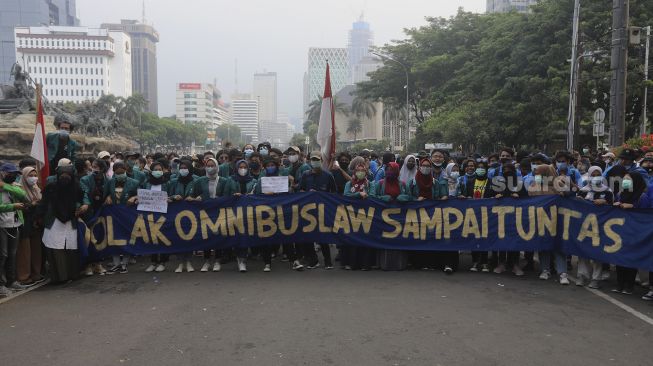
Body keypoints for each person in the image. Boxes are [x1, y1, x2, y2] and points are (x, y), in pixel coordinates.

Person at [37, 158, 83, 284]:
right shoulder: (51, 187)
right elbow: (44, 202)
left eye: (67, 175)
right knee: (55, 249)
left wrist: (81, 206)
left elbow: (82, 199)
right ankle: (59, 278)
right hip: (54, 222)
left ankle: (73, 275)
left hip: (70, 221)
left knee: (71, 248)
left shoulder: (76, 187)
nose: (65, 177)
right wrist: (39, 216)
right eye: (62, 175)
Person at [528, 164, 570, 285]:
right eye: (536, 174)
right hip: (542, 220)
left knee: (559, 246)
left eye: (540, 174)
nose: (537, 176)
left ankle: (562, 273)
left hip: (558, 220)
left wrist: (563, 194)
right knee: (544, 246)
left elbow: (570, 194)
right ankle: (545, 270)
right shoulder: (533, 186)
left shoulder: (558, 184)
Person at [612, 172, 651, 294]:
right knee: (620, 257)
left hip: (635, 232)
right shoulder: (619, 194)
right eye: (624, 179)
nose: (625, 181)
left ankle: (629, 285)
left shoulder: (642, 197)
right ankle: (620, 284)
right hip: (621, 231)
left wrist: (632, 206)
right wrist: (615, 206)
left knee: (631, 258)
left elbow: (646, 216)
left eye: (628, 179)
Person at [298, 152, 338, 269]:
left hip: (322, 210)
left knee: (323, 236)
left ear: (321, 161)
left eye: (317, 159)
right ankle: (313, 260)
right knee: (307, 236)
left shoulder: (328, 175)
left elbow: (334, 193)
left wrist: (321, 195)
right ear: (310, 161)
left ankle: (327, 261)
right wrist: (307, 193)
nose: (315, 161)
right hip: (307, 211)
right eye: (313, 159)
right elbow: (300, 190)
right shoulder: (305, 175)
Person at [576, 166, 613, 289]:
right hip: (584, 226)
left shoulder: (607, 192)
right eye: (593, 174)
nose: (595, 177)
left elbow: (613, 209)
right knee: (582, 252)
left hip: (600, 227)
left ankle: (596, 278)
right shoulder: (583, 191)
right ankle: (582, 275)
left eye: (598, 174)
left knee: (597, 253)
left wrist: (605, 203)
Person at [489, 163, 525, 276]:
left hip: (515, 217)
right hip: (500, 217)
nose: (507, 171)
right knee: (501, 239)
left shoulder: (519, 183)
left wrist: (519, 196)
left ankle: (515, 264)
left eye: (509, 170)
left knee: (515, 240)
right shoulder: (497, 182)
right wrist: (496, 197)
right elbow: (489, 195)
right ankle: (501, 263)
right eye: (504, 170)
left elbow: (526, 197)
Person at [103, 162, 140, 274]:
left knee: (127, 237)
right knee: (113, 237)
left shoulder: (134, 183)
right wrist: (108, 197)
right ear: (114, 172)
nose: (120, 174)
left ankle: (124, 263)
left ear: (125, 171)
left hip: (128, 215)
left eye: (122, 172)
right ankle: (116, 263)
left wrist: (134, 197)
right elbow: (105, 195)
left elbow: (141, 196)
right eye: (117, 173)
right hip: (114, 216)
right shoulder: (110, 183)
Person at [194, 158, 228, 272]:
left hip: (219, 213)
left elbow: (227, 195)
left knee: (218, 236)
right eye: (208, 165)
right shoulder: (200, 181)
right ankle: (207, 261)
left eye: (213, 165)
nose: (210, 168)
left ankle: (218, 260)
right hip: (205, 213)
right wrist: (197, 198)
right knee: (206, 236)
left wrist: (220, 199)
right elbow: (194, 194)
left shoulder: (223, 181)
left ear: (217, 166)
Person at [223, 160, 258, 272]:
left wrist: (250, 196)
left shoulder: (253, 181)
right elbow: (225, 196)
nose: (242, 169)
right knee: (236, 235)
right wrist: (234, 196)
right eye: (240, 167)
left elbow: (258, 197)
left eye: (245, 167)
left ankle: (242, 259)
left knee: (245, 235)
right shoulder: (230, 180)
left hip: (248, 214)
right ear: (236, 168)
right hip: (233, 213)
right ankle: (238, 256)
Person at [0, 163, 28, 296]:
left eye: (16, 174)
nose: (13, 177)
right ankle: (1, 284)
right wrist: (13, 206)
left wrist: (5, 186)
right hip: (2, 225)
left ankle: (11, 281)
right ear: (3, 173)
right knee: (3, 255)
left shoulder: (12, 186)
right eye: (10, 174)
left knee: (12, 254)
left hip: (15, 224)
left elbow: (24, 196)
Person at [79, 159, 109, 276]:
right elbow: (84, 193)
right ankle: (87, 265)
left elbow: (109, 192)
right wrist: (86, 203)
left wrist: (109, 198)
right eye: (93, 166)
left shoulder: (108, 180)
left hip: (101, 212)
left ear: (103, 168)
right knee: (88, 238)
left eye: (97, 167)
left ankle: (98, 264)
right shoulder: (85, 179)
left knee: (100, 237)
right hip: (89, 212)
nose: (94, 169)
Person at [459, 160, 491, 272]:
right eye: (479, 167)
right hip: (473, 214)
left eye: (483, 167)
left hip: (486, 214)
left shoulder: (491, 182)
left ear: (486, 170)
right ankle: (475, 262)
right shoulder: (471, 182)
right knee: (474, 238)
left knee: (485, 238)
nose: (480, 169)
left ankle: (485, 262)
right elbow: (467, 195)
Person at [342, 161, 374, 270]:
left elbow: (373, 196)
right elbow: (346, 195)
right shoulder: (349, 184)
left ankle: (365, 264)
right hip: (351, 216)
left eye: (362, 170)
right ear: (354, 172)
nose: (360, 172)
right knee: (352, 239)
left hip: (366, 217)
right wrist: (358, 194)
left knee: (365, 239)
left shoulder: (370, 184)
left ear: (366, 172)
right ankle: (351, 263)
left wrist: (367, 195)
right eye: (358, 170)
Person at [168, 159, 199, 273]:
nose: (183, 170)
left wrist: (195, 198)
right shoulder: (174, 181)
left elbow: (200, 195)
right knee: (179, 238)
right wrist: (173, 197)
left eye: (185, 168)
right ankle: (180, 262)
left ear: (190, 169)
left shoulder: (196, 180)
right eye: (181, 168)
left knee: (190, 238)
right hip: (177, 214)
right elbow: (168, 196)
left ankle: (189, 262)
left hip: (192, 214)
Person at [15, 166, 45, 286]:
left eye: (35, 175)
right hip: (24, 223)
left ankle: (36, 273)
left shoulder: (36, 188)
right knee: (25, 252)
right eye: (30, 175)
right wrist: (32, 205)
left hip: (36, 223)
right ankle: (24, 276)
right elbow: (20, 207)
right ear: (24, 176)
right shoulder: (18, 188)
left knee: (36, 250)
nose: (33, 178)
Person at [142, 161, 171, 272]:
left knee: (162, 238)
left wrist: (170, 199)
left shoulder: (167, 183)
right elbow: (142, 195)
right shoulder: (146, 183)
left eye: (160, 169)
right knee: (151, 238)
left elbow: (172, 195)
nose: (158, 171)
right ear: (151, 171)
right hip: (149, 214)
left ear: (163, 171)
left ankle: (163, 262)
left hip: (163, 215)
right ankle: (153, 262)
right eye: (156, 169)